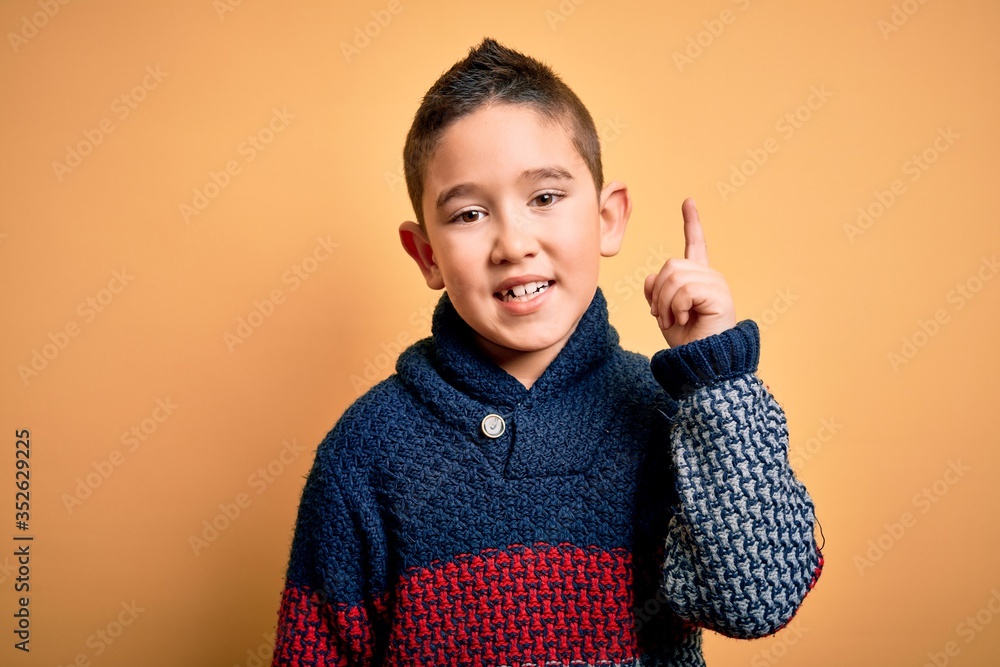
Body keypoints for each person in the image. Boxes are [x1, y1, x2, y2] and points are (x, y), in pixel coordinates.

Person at [270, 37, 823, 666]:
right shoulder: (367, 451)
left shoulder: (675, 417)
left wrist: (716, 383)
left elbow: (759, 600)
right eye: (470, 213)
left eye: (545, 198)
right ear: (426, 255)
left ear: (608, 218)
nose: (513, 242)